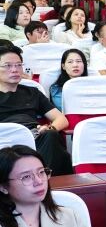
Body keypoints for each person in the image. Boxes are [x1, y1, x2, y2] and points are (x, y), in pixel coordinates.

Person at [0, 46, 72, 175]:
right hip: (4, 139)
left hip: (34, 136)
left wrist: (49, 128)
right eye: (8, 66)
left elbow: (61, 119)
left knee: (51, 135)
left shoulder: (32, 92)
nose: (14, 70)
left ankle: (47, 179)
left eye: (18, 65)